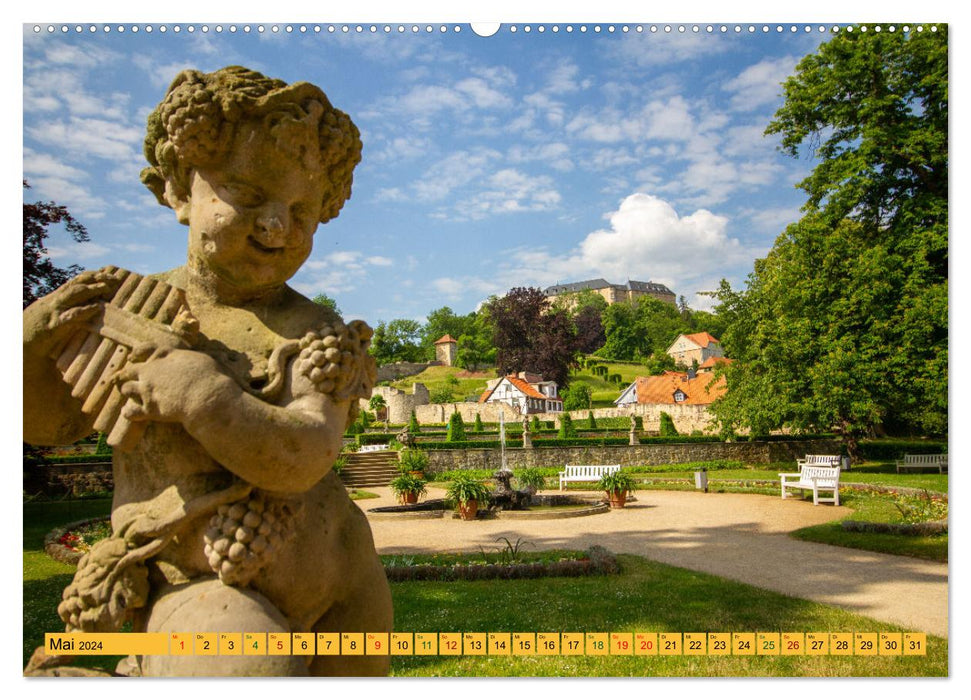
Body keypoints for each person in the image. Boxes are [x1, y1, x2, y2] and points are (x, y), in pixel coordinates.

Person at [23, 66, 392, 676]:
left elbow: (306, 454)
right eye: (247, 196)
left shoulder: (318, 332)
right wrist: (32, 337)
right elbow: (44, 424)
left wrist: (201, 392)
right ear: (176, 191)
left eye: (302, 211)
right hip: (199, 581)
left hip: (346, 584)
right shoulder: (115, 312)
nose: (276, 224)